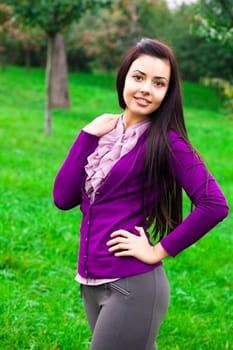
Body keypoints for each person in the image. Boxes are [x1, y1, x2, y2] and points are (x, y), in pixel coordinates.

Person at [53, 38, 229, 350]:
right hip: (91, 283)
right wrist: (86, 137)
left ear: (167, 93)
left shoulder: (167, 143)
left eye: (159, 83)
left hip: (132, 284)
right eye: (139, 77)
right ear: (123, 78)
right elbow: (63, 198)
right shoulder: (104, 133)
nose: (146, 89)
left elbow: (214, 204)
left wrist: (157, 250)